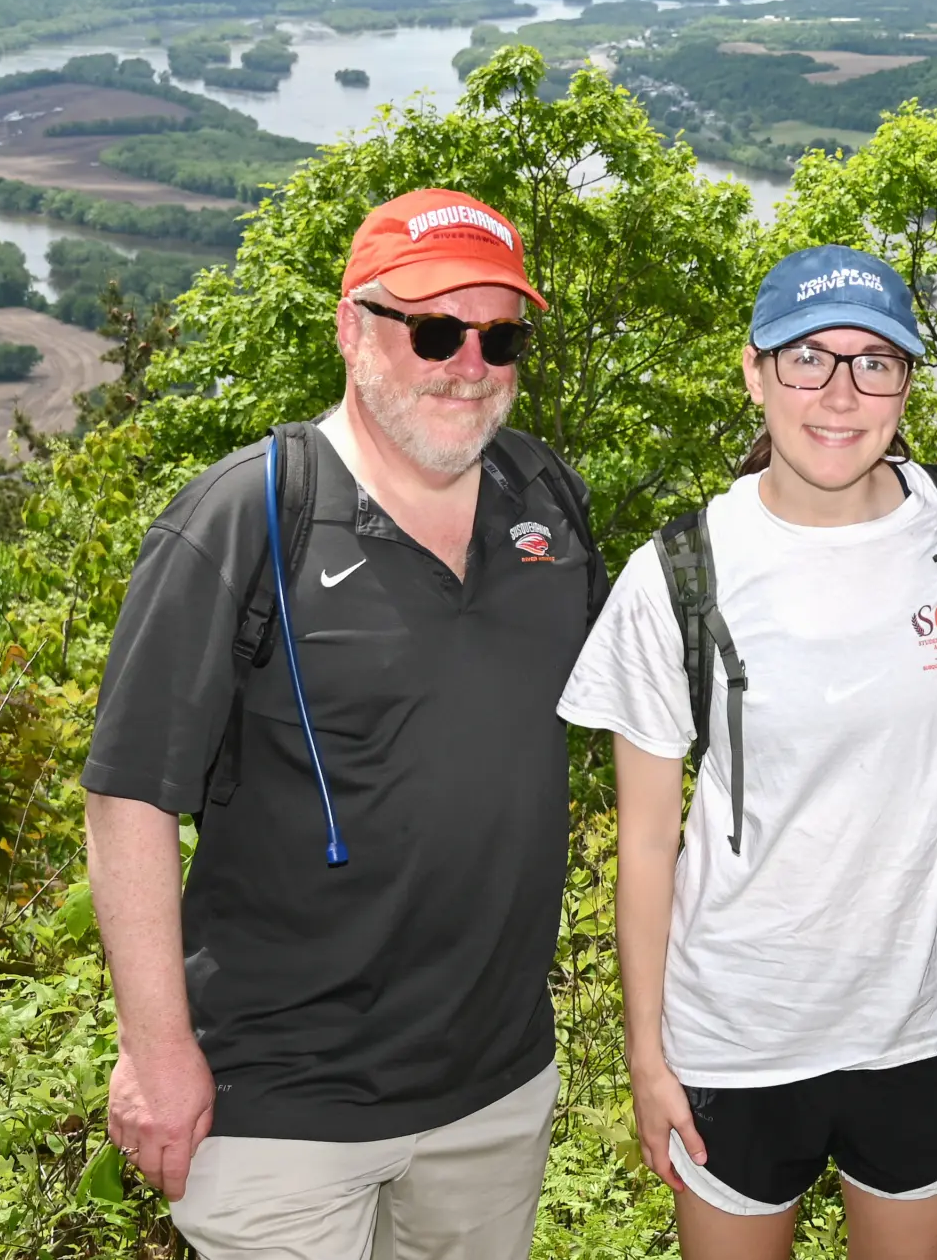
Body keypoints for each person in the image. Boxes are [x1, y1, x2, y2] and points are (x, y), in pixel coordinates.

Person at [81, 188, 607, 1260]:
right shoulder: (249, 514)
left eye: (499, 333)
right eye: (432, 328)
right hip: (279, 1100)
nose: (469, 361)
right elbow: (128, 795)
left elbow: (642, 711)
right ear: (349, 328)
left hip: (492, 1089)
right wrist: (156, 1046)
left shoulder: (545, 499)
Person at [559, 245, 937, 1260]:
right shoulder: (682, 570)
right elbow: (649, 841)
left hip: (920, 1023)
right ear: (754, 371)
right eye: (807, 359)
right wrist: (647, 1053)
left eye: (874, 361)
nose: (839, 393)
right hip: (738, 1030)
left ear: (907, 384)